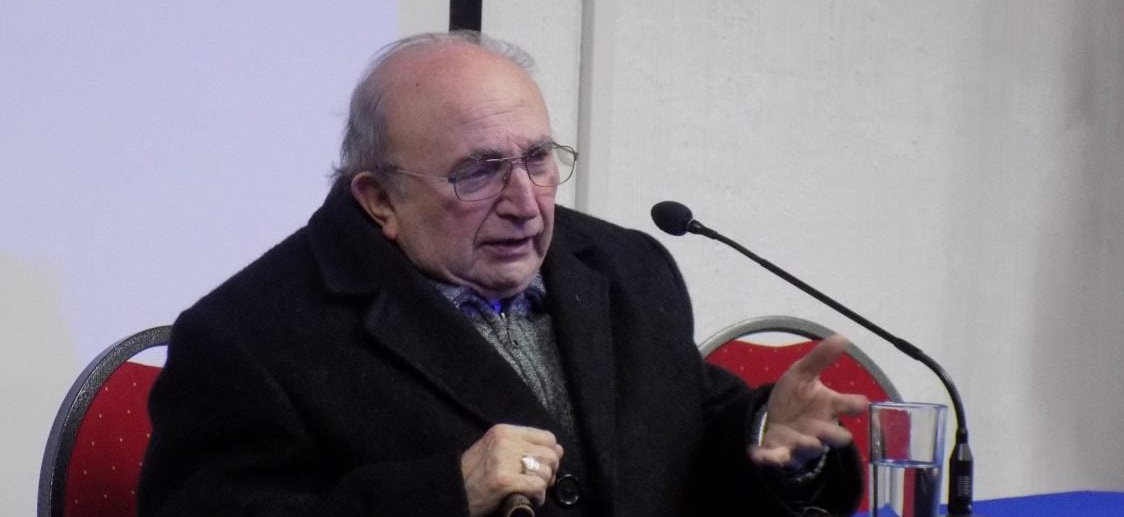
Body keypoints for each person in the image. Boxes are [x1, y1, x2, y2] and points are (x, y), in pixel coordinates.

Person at [138, 31, 867, 517]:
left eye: (538, 159)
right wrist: (445, 495)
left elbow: (685, 443)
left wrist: (770, 439)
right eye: (479, 171)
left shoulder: (624, 268)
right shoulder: (249, 336)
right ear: (380, 198)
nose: (525, 203)